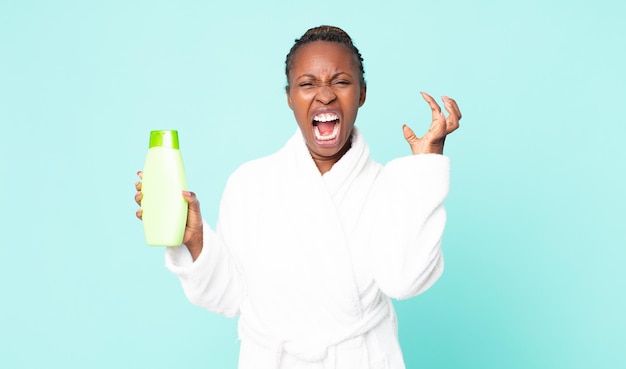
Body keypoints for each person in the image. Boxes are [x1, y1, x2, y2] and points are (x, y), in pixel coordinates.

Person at [134, 25, 461, 369]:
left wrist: (425, 168)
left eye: (341, 81)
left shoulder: (391, 186)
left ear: (362, 93)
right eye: (307, 84)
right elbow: (229, 297)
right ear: (289, 96)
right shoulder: (250, 183)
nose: (325, 96)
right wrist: (197, 241)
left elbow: (404, 281)